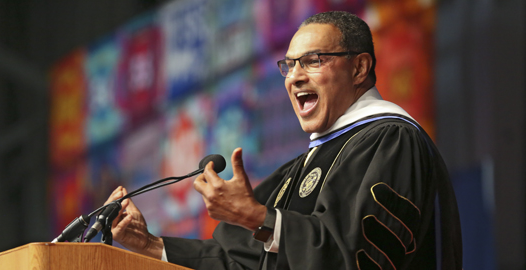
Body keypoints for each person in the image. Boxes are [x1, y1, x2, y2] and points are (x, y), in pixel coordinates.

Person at [105, 11, 463, 270]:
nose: (294, 77)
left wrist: (260, 217)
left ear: (359, 68)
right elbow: (236, 261)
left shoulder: (392, 139)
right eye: (288, 65)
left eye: (312, 61)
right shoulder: (298, 170)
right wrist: (148, 244)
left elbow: (357, 257)